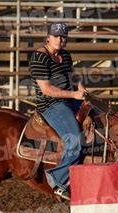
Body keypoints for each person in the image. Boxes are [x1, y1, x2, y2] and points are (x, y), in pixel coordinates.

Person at [29, 23, 87, 201]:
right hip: (52, 105)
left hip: (71, 100)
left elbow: (74, 76)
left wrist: (83, 91)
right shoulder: (40, 57)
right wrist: (74, 94)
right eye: (56, 36)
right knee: (75, 140)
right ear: (48, 37)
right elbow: (46, 90)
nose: (59, 40)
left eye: (63, 37)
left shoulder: (66, 55)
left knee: (103, 119)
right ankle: (58, 180)